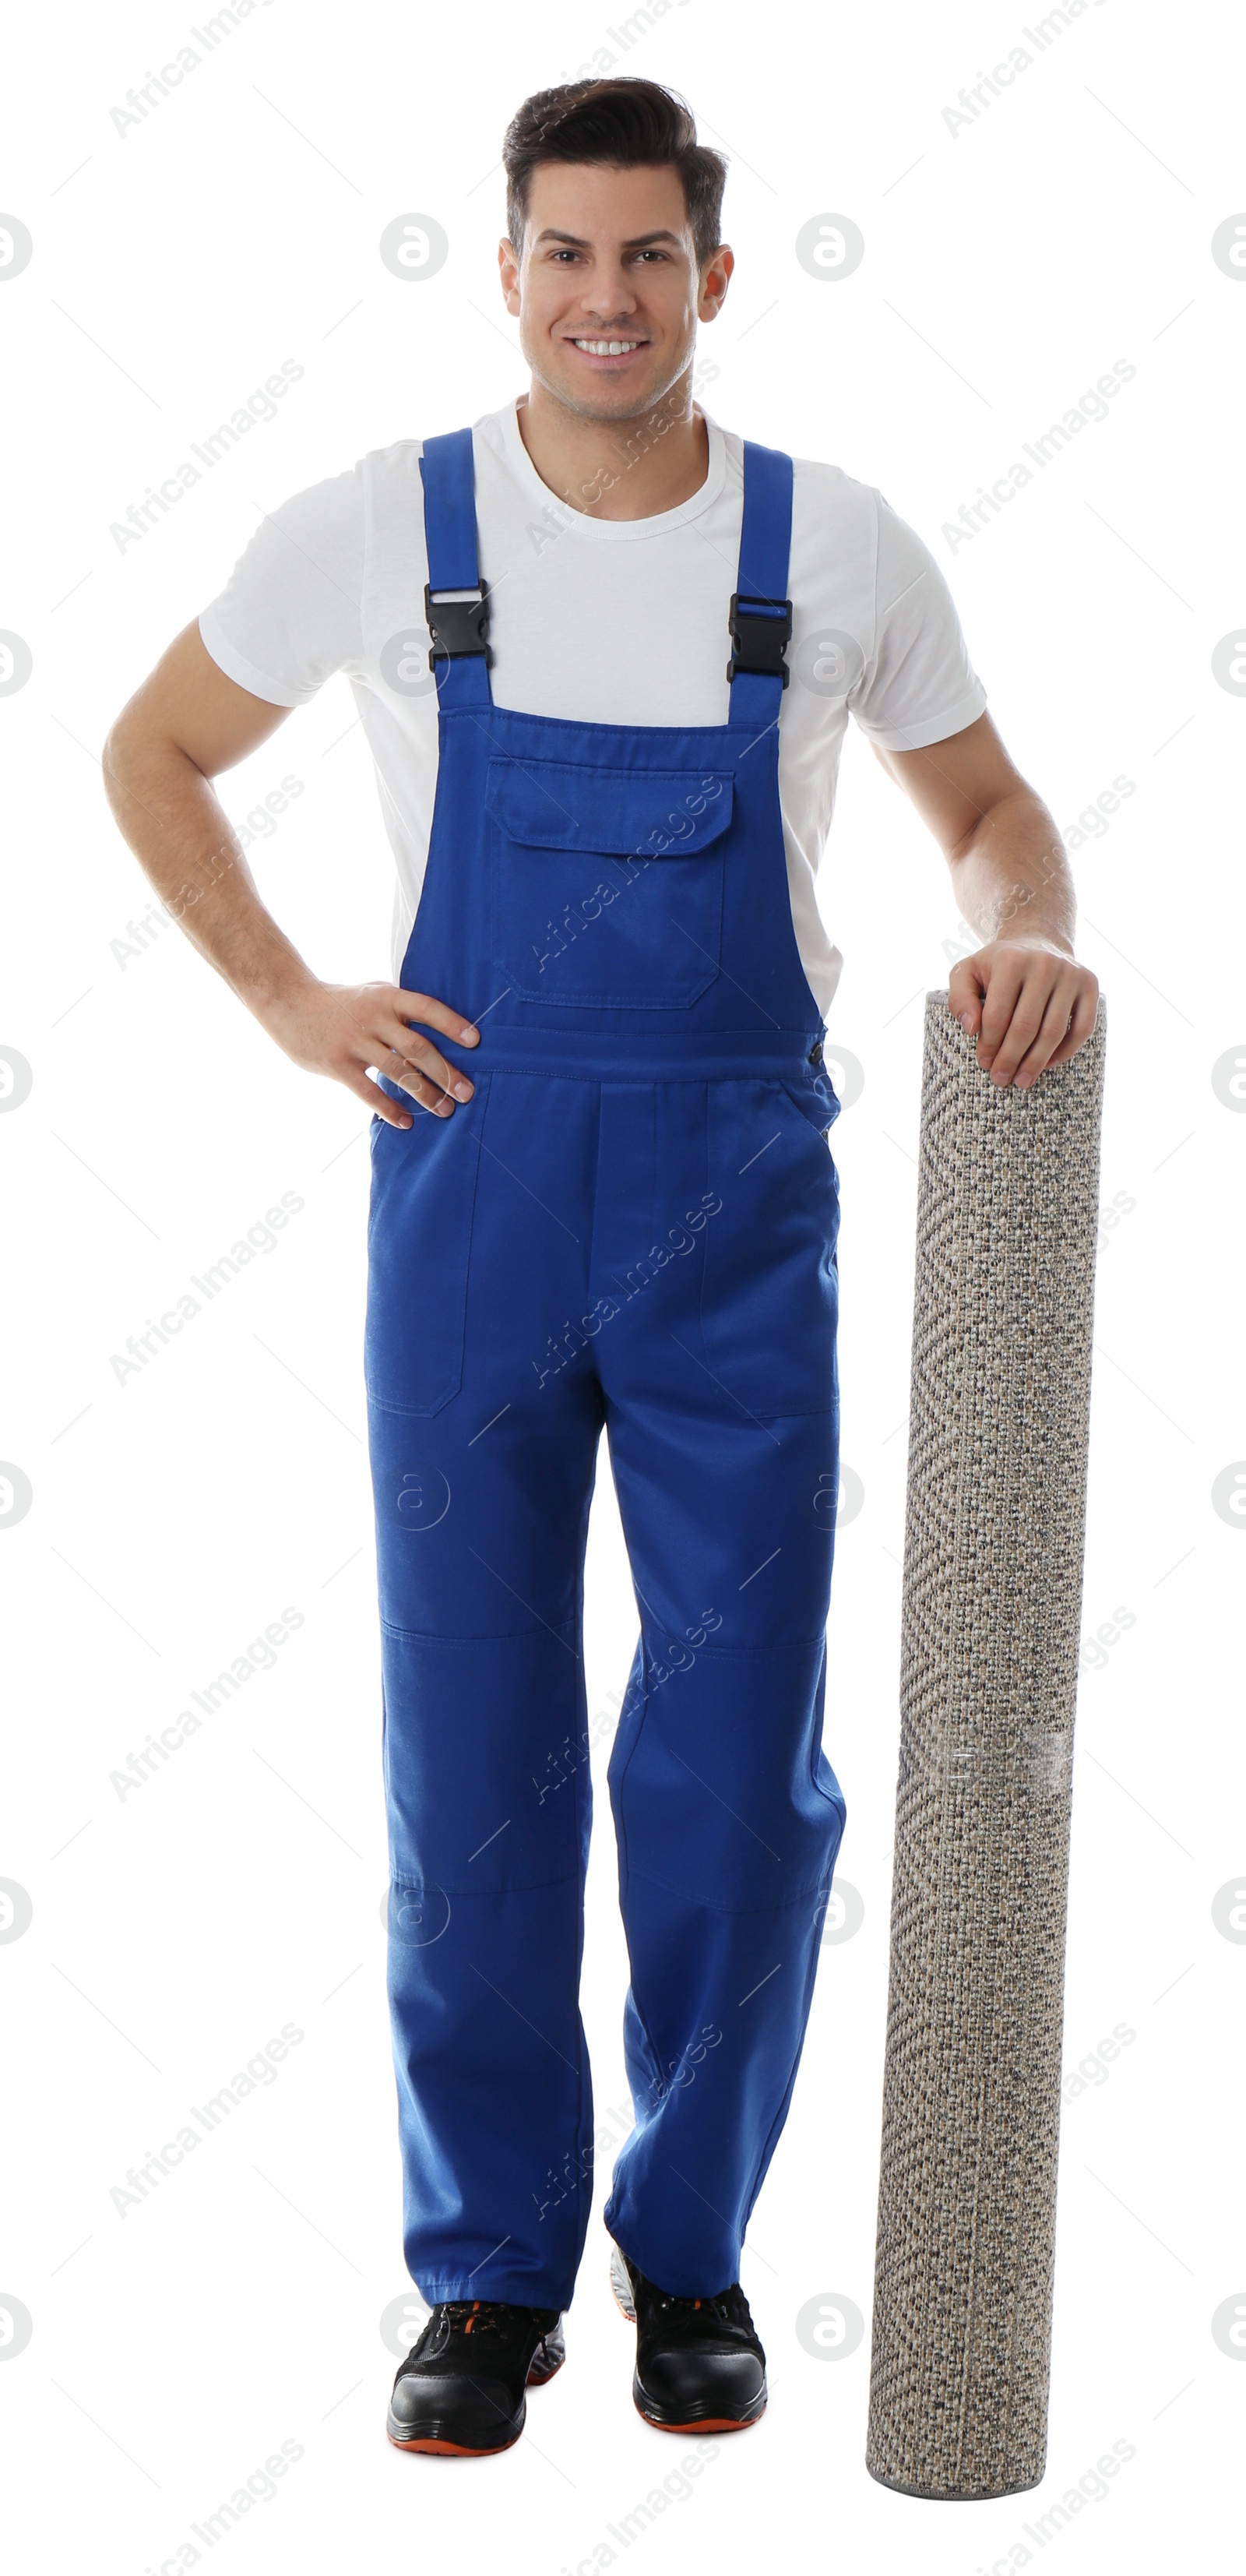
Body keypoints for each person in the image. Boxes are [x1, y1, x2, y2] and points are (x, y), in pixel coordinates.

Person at [102, 76, 1099, 2459]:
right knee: (476, 1753)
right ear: (512, 265)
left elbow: (988, 815)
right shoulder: (383, 527)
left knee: (739, 1763)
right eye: (566, 253)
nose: (607, 297)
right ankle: (484, 2272)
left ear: (716, 281)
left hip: (741, 1208)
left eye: (651, 256)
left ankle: (688, 2248)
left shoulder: (831, 547)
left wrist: (1034, 932)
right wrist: (291, 997)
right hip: (465, 1186)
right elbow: (153, 749)